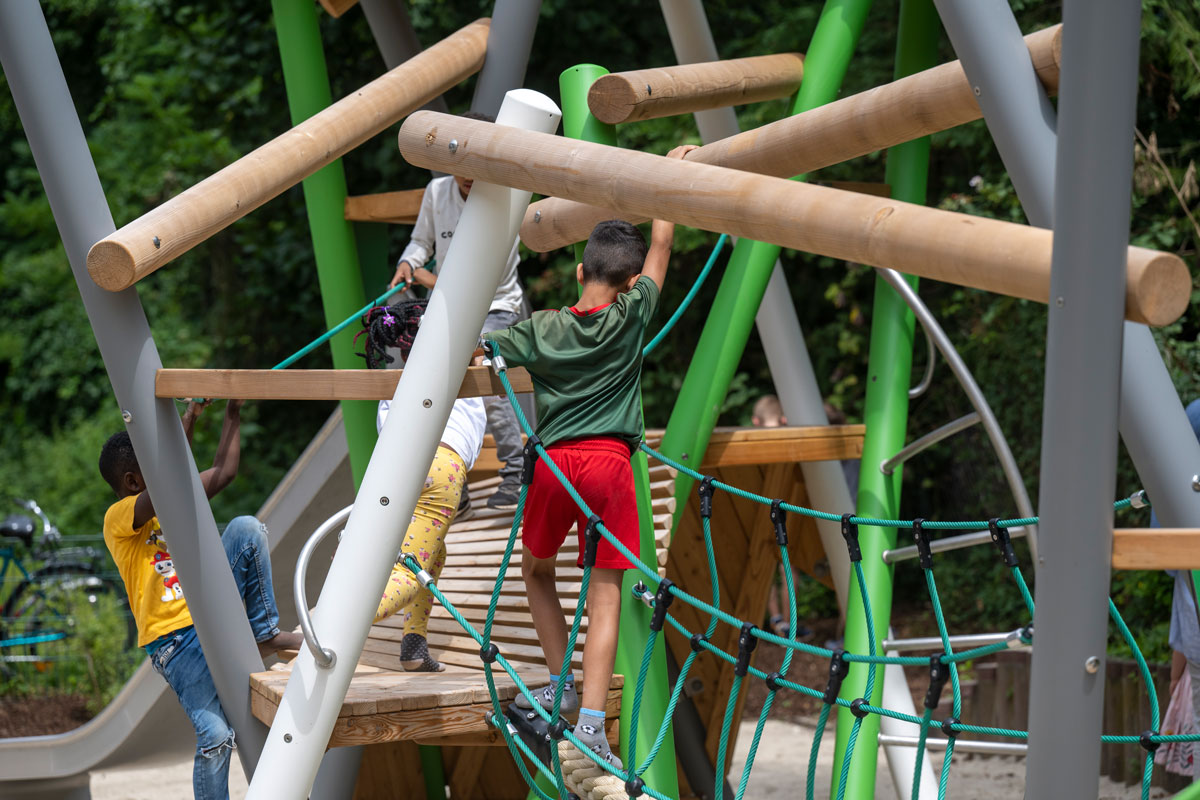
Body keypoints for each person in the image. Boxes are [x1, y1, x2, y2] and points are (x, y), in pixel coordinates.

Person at [482, 143, 696, 769]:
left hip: (553, 466)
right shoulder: (632, 315)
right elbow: (660, 250)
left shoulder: (543, 327)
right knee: (606, 595)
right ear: (628, 283)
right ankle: (596, 727)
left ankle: (558, 683)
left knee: (537, 572)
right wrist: (669, 181)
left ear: (580, 271)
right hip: (610, 467)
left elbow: (487, 353)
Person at [98, 400, 301, 800]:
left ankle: (264, 634)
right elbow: (166, 481)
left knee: (245, 529)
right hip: (175, 642)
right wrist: (186, 422)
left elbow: (225, 472)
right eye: (149, 466)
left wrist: (233, 412)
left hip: (209, 610)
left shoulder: (168, 500)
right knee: (216, 735)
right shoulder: (118, 519)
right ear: (133, 482)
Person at [388, 111, 527, 511]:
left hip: (493, 305)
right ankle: (455, 486)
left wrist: (429, 280)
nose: (467, 176)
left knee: (486, 386)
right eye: (459, 166)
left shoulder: (506, 195)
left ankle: (517, 475)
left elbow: (490, 273)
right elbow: (420, 242)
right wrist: (409, 264)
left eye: (474, 165)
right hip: (445, 310)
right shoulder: (437, 193)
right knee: (433, 389)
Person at [360, 300, 487, 672]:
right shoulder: (463, 370)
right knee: (410, 570)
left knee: (434, 553)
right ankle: (334, 623)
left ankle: (413, 644)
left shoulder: (393, 382)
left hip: (394, 468)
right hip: (440, 468)